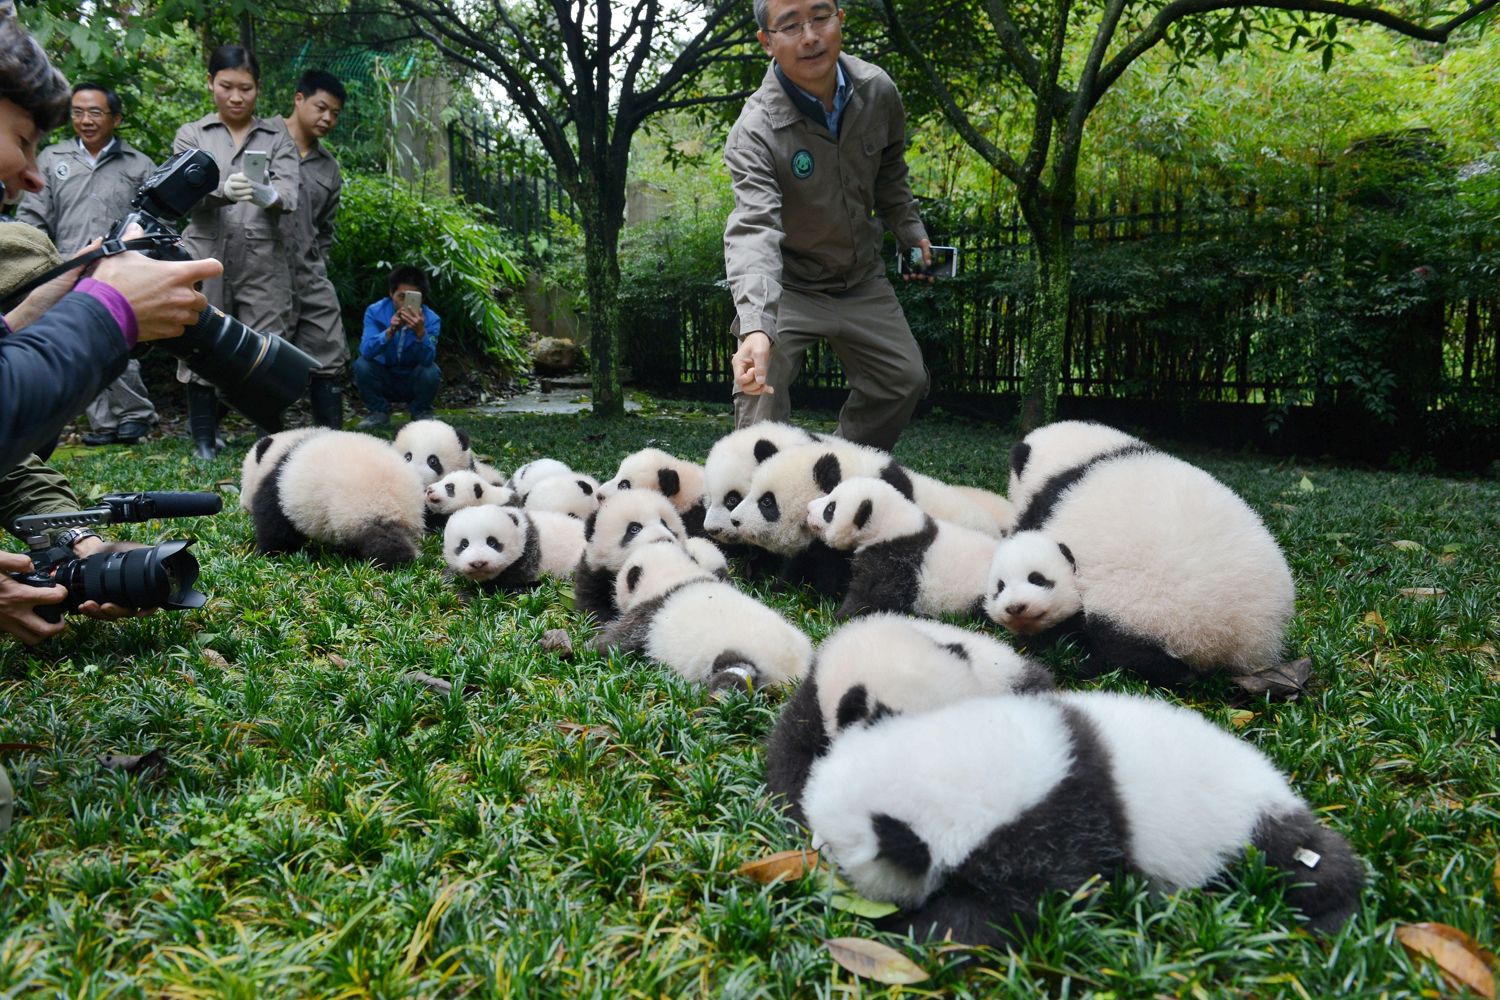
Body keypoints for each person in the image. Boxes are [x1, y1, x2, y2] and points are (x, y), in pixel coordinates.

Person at [723, 0, 935, 452]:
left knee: (904, 379)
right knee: (759, 379)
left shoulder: (878, 91)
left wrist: (910, 230)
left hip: (860, 278)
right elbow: (753, 227)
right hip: (790, 284)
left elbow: (890, 175)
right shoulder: (755, 130)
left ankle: (836, 471)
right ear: (767, 42)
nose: (810, 36)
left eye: (820, 17)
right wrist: (756, 325)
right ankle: (755, 502)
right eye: (790, 25)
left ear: (841, 18)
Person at [173, 44, 299, 459]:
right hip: (206, 251)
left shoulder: (277, 134)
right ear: (210, 83)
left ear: (258, 89)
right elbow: (178, 193)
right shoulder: (192, 134)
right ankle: (204, 440)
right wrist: (218, 190)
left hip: (263, 255)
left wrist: (267, 194)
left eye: (246, 87)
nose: (236, 96)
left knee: (268, 341)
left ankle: (272, 439)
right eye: (226, 86)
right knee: (200, 336)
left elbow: (290, 193)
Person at [17, 82, 159, 446]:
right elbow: (33, 215)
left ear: (116, 118)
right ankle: (102, 424)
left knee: (120, 338)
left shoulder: (138, 163)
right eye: (78, 112)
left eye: (95, 112)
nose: (85, 120)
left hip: (122, 264)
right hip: (66, 264)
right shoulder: (51, 159)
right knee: (79, 341)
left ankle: (136, 416)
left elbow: (156, 217)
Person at [280, 69, 348, 429]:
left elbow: (326, 228)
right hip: (260, 268)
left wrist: (317, 262)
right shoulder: (262, 140)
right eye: (322, 107)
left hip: (308, 270)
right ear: (299, 99)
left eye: (335, 113)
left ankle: (331, 438)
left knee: (328, 343)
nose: (327, 118)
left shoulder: (329, 168)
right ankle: (267, 435)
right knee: (263, 352)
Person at [354, 265, 442, 428]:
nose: (404, 304)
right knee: (362, 365)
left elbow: (428, 359)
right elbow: (365, 350)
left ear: (421, 299)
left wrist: (420, 334)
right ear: (390, 293)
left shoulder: (431, 319)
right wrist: (389, 332)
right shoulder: (375, 312)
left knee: (431, 371)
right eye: (401, 296)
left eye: (412, 298)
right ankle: (378, 412)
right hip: (384, 376)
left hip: (412, 378)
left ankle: (421, 412)